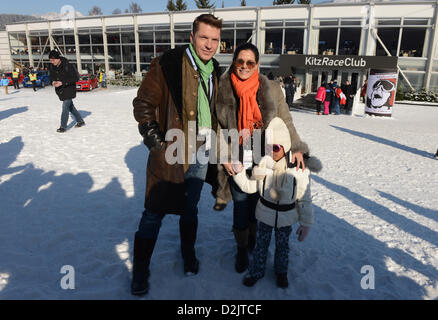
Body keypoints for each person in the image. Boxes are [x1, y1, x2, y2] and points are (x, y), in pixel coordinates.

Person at [131, 13, 223, 296]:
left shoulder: (215, 70)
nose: (209, 45)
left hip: (201, 152)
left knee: (190, 208)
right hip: (171, 151)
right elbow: (143, 103)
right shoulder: (167, 64)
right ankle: (140, 271)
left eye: (215, 40)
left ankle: (188, 255)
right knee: (153, 213)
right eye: (204, 37)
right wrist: (156, 141)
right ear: (192, 36)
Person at [214, 42, 308, 275]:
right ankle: (241, 247)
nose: (244, 67)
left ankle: (255, 239)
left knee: (259, 202)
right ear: (234, 61)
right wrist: (223, 155)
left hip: (266, 154)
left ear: (257, 65)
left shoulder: (271, 88)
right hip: (236, 154)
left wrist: (295, 146)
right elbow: (215, 127)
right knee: (240, 203)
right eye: (240, 61)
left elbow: (285, 119)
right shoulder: (222, 88)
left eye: (250, 63)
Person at [231, 117, 321, 288]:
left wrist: (306, 223)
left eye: (276, 147)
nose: (271, 151)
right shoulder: (264, 164)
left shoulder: (297, 169)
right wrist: (239, 173)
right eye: (267, 147)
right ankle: (256, 271)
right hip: (265, 215)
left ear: (285, 145)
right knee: (261, 245)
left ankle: (281, 272)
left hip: (286, 218)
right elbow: (250, 187)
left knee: (282, 246)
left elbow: (304, 197)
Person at [48, 50, 85, 133]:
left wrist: (62, 82)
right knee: (71, 107)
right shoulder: (51, 66)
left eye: (53, 60)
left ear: (58, 59)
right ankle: (80, 121)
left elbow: (75, 78)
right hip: (60, 90)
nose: (52, 62)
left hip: (69, 89)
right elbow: (51, 77)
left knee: (65, 107)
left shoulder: (68, 65)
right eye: (50, 60)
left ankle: (63, 126)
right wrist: (52, 82)